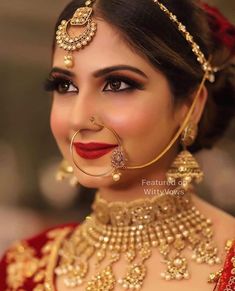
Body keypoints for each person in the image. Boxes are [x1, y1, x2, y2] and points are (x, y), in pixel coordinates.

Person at [0, 0, 235, 290]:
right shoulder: (22, 266)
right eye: (65, 86)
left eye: (117, 85)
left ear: (189, 107)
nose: (79, 118)